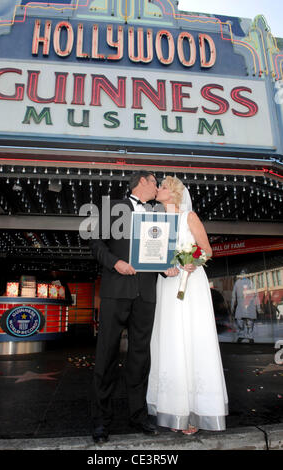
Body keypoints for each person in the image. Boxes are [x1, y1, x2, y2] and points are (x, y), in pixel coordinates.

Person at [89, 171, 177, 443]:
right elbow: (95, 242)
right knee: (106, 355)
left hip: (145, 294)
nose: (158, 187)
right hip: (116, 291)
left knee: (140, 358)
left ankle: (137, 416)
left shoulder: (157, 213)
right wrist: (115, 263)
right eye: (155, 182)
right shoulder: (112, 207)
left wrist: (167, 268)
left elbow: (159, 251)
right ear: (142, 182)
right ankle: (101, 421)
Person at [147, 176, 228, 434]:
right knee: (169, 341)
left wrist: (191, 260)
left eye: (162, 186)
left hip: (189, 283)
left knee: (191, 338)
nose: (158, 189)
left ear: (172, 192)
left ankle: (194, 412)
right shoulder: (156, 220)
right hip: (167, 284)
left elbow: (207, 250)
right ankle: (174, 410)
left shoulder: (189, 216)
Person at [231, 269, 259, 343]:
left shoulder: (250, 282)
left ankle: (248, 335)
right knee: (241, 320)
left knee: (248, 321)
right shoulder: (239, 283)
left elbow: (255, 295)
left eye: (244, 274)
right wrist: (232, 305)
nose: (243, 275)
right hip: (242, 305)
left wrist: (258, 306)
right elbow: (233, 295)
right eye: (242, 274)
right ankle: (244, 334)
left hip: (248, 304)